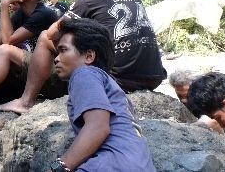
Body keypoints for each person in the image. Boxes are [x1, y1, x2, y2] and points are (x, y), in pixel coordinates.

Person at [0, 0, 167, 115]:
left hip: (119, 80)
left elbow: (51, 33)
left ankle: (26, 102)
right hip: (154, 77)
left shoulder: (88, 0)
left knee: (44, 37)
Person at [51, 18, 154, 172]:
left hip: (112, 164)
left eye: (63, 50)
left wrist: (60, 167)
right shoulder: (109, 84)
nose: (56, 58)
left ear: (89, 56)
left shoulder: (84, 73)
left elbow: (98, 127)